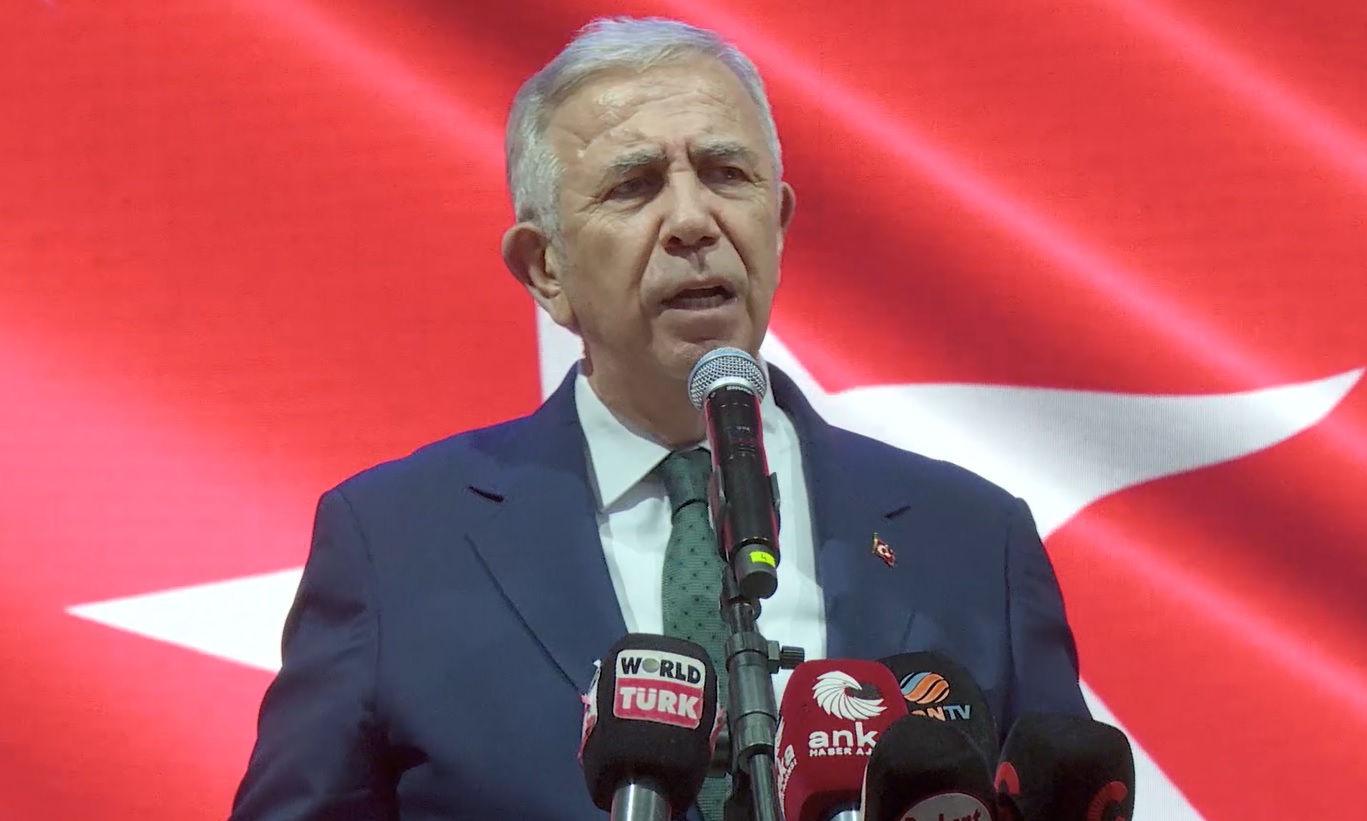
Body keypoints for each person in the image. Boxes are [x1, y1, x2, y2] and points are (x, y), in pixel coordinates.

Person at [229, 16, 1088, 821]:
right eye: (633, 186)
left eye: (726, 174)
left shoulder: (971, 540)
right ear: (545, 269)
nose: (691, 221)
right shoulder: (395, 545)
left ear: (778, 226)